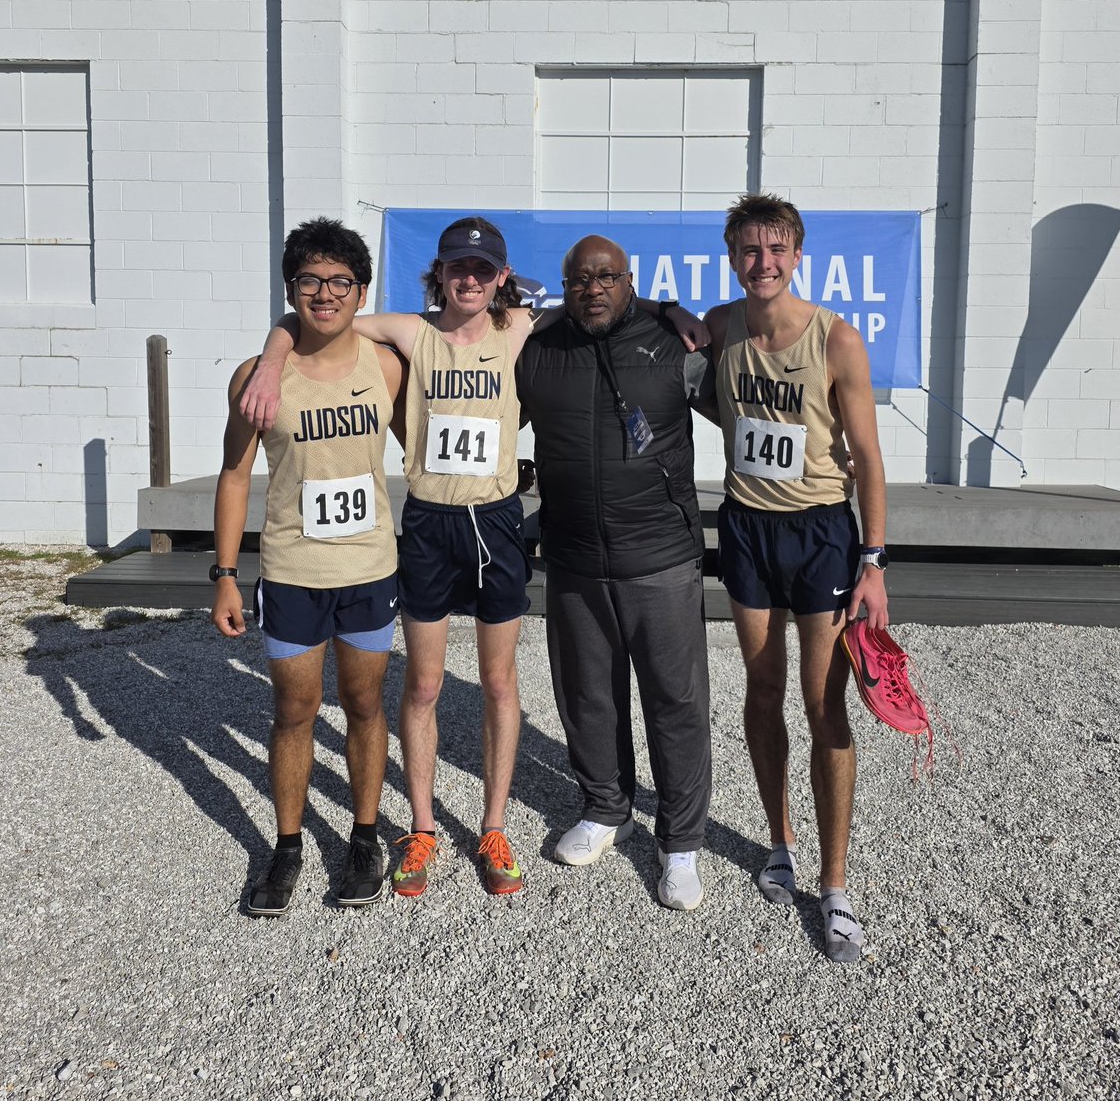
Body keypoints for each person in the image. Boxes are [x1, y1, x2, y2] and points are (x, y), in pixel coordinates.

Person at [240, 218, 705, 900]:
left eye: (483, 269)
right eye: (458, 266)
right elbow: (314, 318)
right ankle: (423, 828)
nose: (469, 278)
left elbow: (600, 298)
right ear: (440, 272)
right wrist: (272, 356)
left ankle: (493, 826)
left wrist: (669, 309)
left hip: (496, 522)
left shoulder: (518, 328)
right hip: (430, 524)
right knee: (424, 685)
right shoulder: (410, 332)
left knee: (498, 683)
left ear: (501, 278)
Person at [703, 193, 889, 961]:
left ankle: (835, 883)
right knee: (761, 688)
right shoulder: (719, 327)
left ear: (798, 256)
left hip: (820, 533)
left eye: (777, 249)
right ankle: (778, 841)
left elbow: (868, 457)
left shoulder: (836, 339)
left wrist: (873, 561)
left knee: (823, 704)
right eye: (750, 250)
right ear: (732, 257)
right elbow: (715, 401)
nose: (764, 262)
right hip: (747, 527)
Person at [211, 216, 404, 917]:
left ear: (362, 291)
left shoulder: (386, 367)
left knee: (363, 704)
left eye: (340, 281)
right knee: (293, 710)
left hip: (369, 568)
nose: (326, 293)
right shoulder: (257, 378)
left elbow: (427, 445)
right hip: (293, 570)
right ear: (290, 288)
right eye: (310, 280)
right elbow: (235, 475)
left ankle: (364, 837)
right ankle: (288, 844)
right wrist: (225, 575)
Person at [516, 234, 713, 911]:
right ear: (565, 286)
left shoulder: (675, 345)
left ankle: (680, 839)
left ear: (630, 282)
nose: (593, 289)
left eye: (607, 277)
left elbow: (749, 406)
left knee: (675, 701)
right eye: (579, 279)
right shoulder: (538, 349)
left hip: (661, 555)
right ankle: (606, 808)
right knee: (587, 693)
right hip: (573, 555)